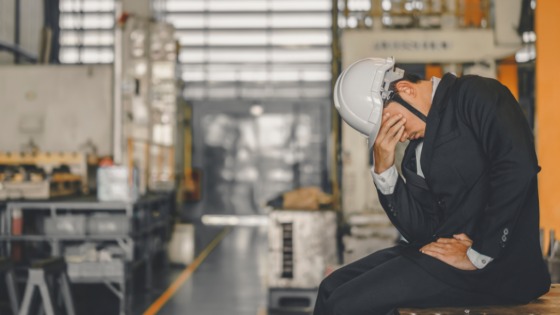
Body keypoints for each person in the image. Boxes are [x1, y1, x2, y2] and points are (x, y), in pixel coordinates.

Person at [314, 57, 551, 315]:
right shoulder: (415, 155)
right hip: (444, 257)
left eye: (390, 122)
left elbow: (518, 165)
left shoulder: (476, 95)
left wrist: (479, 253)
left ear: (405, 89)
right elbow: (422, 232)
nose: (400, 136)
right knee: (330, 289)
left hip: (495, 267)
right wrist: (384, 171)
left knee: (344, 305)